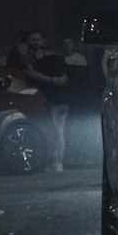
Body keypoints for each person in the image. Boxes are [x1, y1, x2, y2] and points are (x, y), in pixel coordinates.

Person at [24, 30, 69, 171]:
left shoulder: (46, 57)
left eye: (39, 39)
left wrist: (52, 80)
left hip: (50, 98)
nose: (37, 42)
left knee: (55, 130)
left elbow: (32, 74)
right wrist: (55, 80)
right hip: (54, 97)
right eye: (33, 39)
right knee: (58, 130)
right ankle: (57, 162)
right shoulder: (32, 57)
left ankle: (56, 162)